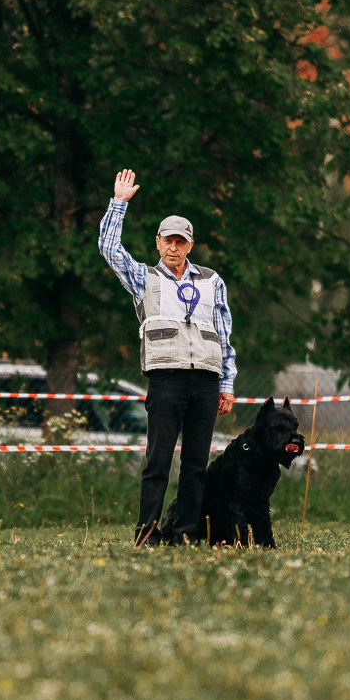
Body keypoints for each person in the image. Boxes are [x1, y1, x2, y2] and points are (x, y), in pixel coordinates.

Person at [98, 168, 236, 546]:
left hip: (206, 381)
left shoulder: (212, 281)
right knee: (157, 462)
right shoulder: (144, 278)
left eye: (181, 241)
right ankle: (146, 534)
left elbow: (223, 335)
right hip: (166, 380)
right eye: (168, 241)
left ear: (190, 245)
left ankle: (184, 535)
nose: (174, 248)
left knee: (195, 465)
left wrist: (227, 383)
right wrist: (118, 204)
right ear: (157, 243)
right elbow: (109, 250)